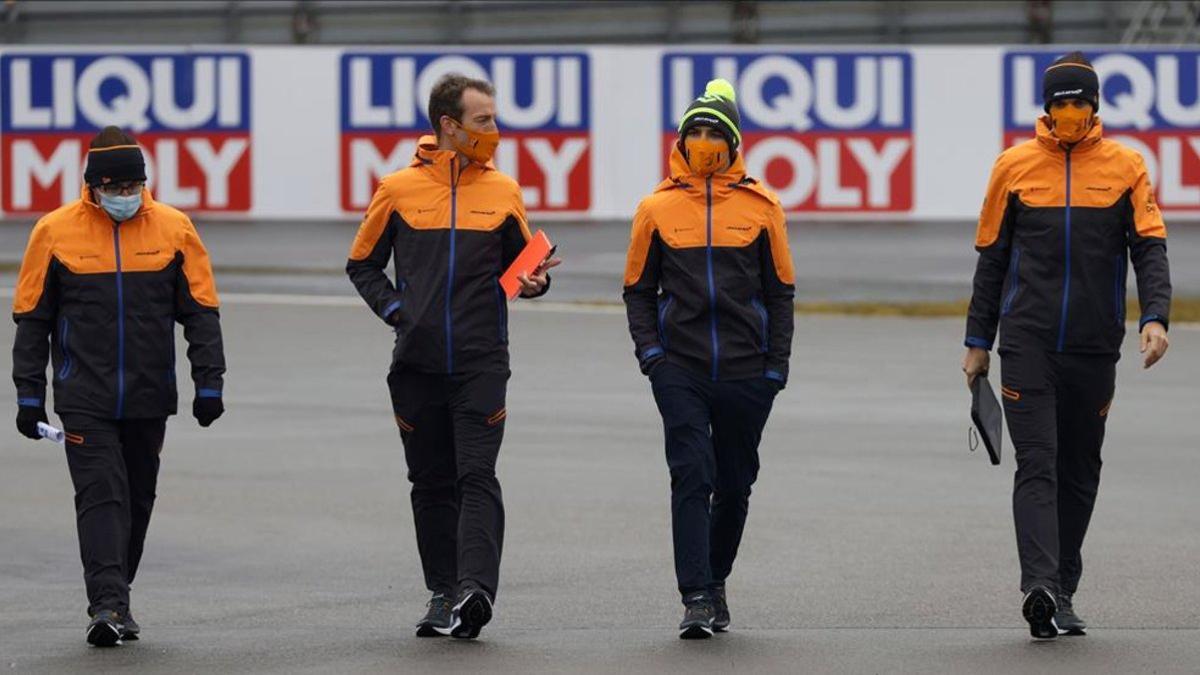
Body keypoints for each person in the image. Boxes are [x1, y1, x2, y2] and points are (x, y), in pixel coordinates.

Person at [963, 52, 1171, 640]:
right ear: (1046, 108)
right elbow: (992, 259)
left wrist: (1155, 317)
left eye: (1080, 101)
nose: (1071, 111)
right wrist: (978, 340)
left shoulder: (1127, 166)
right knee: (1039, 463)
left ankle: (1066, 588)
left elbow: (1150, 249)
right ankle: (1040, 586)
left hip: (1094, 344)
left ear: (1096, 106)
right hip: (1026, 341)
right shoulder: (1013, 166)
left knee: (1080, 469)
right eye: (1061, 102)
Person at [346, 73, 559, 640]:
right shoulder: (396, 189)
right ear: (450, 125)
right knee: (431, 482)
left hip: (481, 360)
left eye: (493, 119)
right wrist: (397, 311)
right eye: (484, 121)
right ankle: (443, 593)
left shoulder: (504, 191)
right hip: (414, 364)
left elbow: (518, 272)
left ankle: (476, 590)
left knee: (477, 475)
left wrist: (533, 284)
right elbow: (361, 264)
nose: (495, 130)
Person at [11, 126, 226, 647]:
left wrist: (209, 382)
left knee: (136, 499)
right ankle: (107, 604)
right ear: (93, 185)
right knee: (101, 495)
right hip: (83, 396)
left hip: (150, 395)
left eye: (134, 187)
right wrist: (29, 394)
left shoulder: (175, 228)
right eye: (116, 187)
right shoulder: (54, 231)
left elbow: (201, 312)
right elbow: (31, 317)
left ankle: (116, 592)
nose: (125, 197)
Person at [622, 79, 795, 639]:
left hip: (749, 371)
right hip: (681, 368)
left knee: (736, 483)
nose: (702, 141)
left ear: (733, 141)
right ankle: (695, 595)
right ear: (680, 141)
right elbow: (636, 290)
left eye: (712, 132)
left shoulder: (764, 207)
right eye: (693, 132)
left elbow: (781, 293)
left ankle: (716, 580)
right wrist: (653, 355)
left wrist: (776, 368)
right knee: (691, 474)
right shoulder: (655, 207)